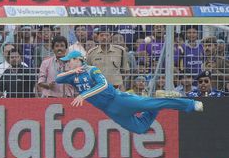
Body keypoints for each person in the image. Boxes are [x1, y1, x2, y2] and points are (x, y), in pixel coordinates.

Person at [55, 50, 203, 135]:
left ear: (78, 59)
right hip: (110, 111)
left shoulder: (91, 69)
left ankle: (189, 104)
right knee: (140, 128)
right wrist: (73, 70)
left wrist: (83, 95)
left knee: (150, 103)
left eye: (70, 61)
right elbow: (57, 79)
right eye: (66, 62)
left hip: (118, 100)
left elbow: (103, 84)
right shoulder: (71, 76)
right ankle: (158, 102)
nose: (67, 64)